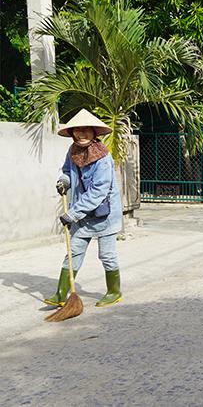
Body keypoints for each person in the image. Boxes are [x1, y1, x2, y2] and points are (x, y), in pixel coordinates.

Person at [45, 109, 123, 308]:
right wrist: (64, 181)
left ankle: (114, 291)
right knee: (74, 252)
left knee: (107, 255)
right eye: (77, 130)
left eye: (86, 130)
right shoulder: (72, 152)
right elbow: (66, 171)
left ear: (94, 132)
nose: (81, 134)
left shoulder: (103, 158)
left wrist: (72, 214)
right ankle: (61, 293)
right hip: (82, 216)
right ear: (72, 133)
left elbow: (98, 192)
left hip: (104, 214)